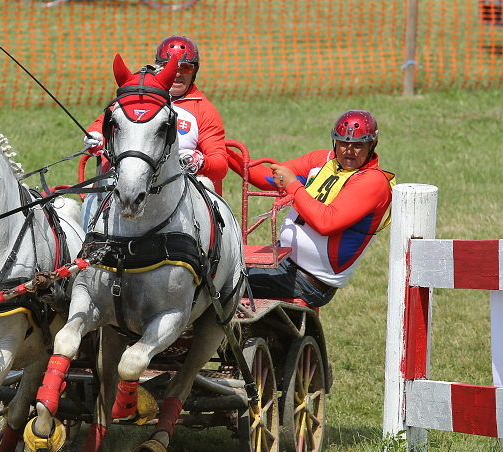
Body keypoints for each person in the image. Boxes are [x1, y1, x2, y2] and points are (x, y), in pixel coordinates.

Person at [245, 110, 395, 308]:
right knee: (217, 263)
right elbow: (266, 176)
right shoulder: (323, 160)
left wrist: (293, 185)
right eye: (343, 143)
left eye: (358, 145)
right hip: (285, 262)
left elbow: (326, 223)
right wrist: (221, 152)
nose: (349, 150)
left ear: (372, 144)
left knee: (223, 277)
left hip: (308, 282)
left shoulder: (373, 181)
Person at [81, 35, 228, 227]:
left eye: (185, 68)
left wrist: (199, 160)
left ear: (194, 71)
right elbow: (102, 124)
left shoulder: (204, 110)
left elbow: (220, 164)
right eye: (170, 67)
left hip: (179, 199)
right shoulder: (138, 95)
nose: (177, 74)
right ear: (159, 67)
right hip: (126, 181)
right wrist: (95, 138)